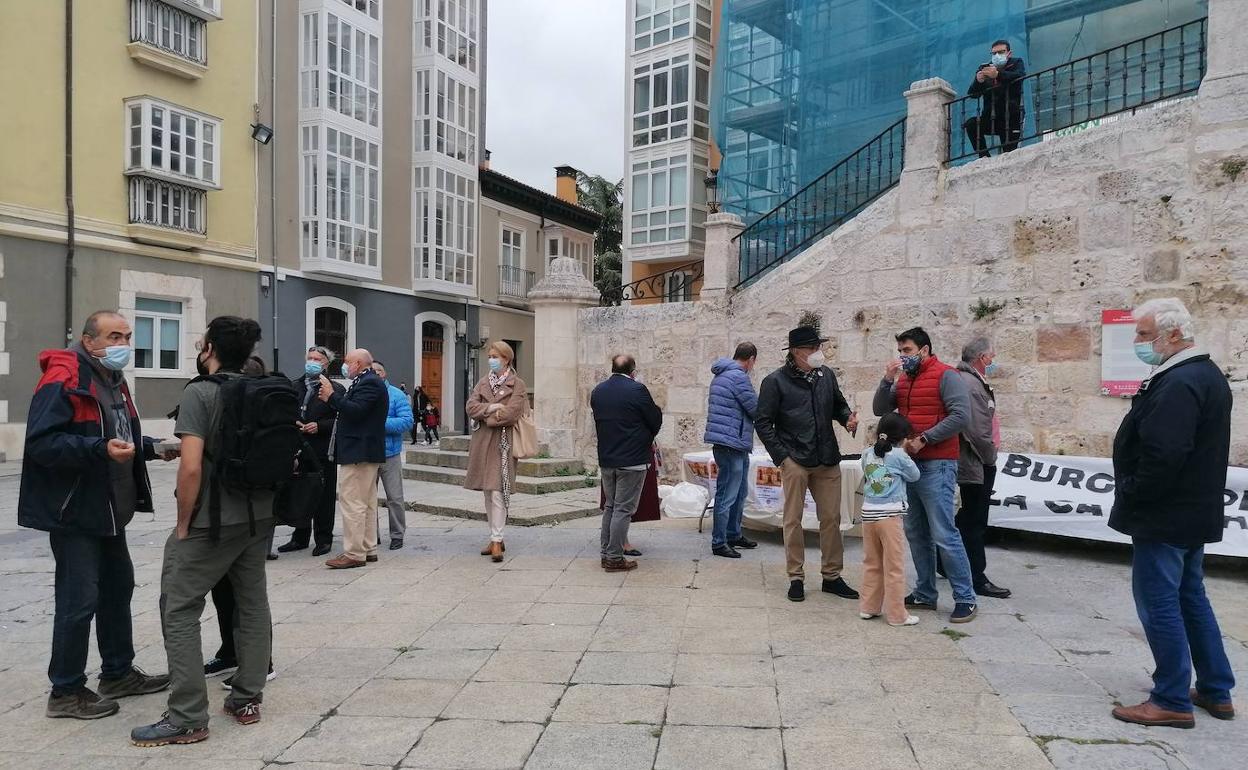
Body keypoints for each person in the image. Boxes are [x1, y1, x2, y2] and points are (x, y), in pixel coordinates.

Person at [19, 311, 171, 720]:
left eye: (125, 335)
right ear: (88, 341)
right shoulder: (65, 377)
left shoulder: (112, 379)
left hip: (109, 509)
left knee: (118, 589)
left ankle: (118, 672)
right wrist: (97, 449)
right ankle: (65, 690)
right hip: (76, 510)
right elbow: (41, 443)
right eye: (112, 336)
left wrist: (153, 447)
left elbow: (118, 433)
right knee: (79, 598)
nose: (121, 343)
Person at [132, 316, 274, 746]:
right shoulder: (259, 386)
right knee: (251, 602)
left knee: (179, 607)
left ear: (209, 348)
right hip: (259, 512)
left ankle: (188, 715)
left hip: (212, 518)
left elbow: (191, 465)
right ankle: (247, 697)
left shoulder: (200, 391)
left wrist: (182, 521)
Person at [1108, 298, 1236, 728]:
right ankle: (1216, 689)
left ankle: (1171, 698)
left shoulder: (1180, 381)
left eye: (1144, 334)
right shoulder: (1203, 375)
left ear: (1174, 335)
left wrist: (1132, 491)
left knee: (1160, 602)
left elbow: (1164, 453)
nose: (1138, 342)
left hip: (1165, 514)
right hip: (1188, 511)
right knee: (1190, 597)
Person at [872, 327, 976, 624]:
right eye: (901, 352)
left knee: (944, 532)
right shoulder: (903, 379)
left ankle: (966, 598)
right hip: (909, 466)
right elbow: (881, 408)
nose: (903, 357)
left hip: (938, 464)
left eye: (907, 351)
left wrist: (926, 438)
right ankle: (925, 594)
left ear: (924, 350)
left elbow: (961, 416)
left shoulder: (947, 376)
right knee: (916, 532)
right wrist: (887, 380)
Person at [755, 326, 859, 603]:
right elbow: (763, 423)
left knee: (832, 519)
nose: (818, 352)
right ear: (795, 352)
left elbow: (839, 405)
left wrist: (847, 418)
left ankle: (832, 576)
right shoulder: (774, 381)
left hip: (826, 457)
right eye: (812, 348)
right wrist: (783, 458)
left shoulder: (826, 376)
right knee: (793, 520)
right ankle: (796, 577)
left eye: (818, 347)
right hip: (795, 459)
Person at [591, 355, 663, 572]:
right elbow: (655, 419)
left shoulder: (598, 391)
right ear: (633, 371)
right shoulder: (637, 390)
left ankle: (606, 553)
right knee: (623, 509)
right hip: (632, 459)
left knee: (611, 507)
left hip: (607, 458)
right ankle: (614, 557)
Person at [952, 336, 1010, 599]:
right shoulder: (971, 384)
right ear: (980, 359)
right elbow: (976, 430)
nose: (993, 361)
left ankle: (947, 562)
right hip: (977, 461)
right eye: (991, 357)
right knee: (975, 519)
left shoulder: (972, 380)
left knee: (967, 517)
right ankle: (977, 576)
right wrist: (990, 456)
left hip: (977, 460)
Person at [320, 348, 388, 569]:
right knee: (366, 503)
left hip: (359, 450)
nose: (344, 365)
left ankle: (354, 553)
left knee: (352, 503)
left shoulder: (369, 382)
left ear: (358, 363)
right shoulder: (366, 381)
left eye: (347, 362)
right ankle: (368, 549)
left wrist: (331, 395)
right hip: (363, 450)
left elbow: (356, 411)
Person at [277, 347, 344, 558]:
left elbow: (342, 418)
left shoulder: (335, 388)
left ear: (326, 364)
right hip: (298, 448)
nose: (313, 362)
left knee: (324, 495)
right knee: (300, 493)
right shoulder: (293, 385)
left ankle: (324, 539)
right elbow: (283, 411)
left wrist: (320, 426)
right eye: (310, 358)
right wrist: (292, 421)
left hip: (323, 450)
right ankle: (300, 536)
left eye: (318, 359)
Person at [464, 341, 529, 561]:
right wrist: (492, 407)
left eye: (495, 356)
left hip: (503, 442)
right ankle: (494, 537)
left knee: (499, 492)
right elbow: (470, 407)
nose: (491, 359)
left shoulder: (517, 384)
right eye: (490, 355)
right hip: (482, 443)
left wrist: (487, 417)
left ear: (506, 359)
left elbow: (512, 414)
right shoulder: (483, 381)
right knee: (487, 491)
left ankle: (497, 540)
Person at [859, 412, 921, 627]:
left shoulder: (867, 454)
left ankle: (869, 607)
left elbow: (864, 472)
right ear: (903, 437)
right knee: (894, 566)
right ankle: (897, 614)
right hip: (890, 515)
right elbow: (915, 476)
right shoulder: (899, 456)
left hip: (868, 514)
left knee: (872, 562)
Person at [703, 342, 760, 558]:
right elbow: (755, 408)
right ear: (751, 359)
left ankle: (733, 534)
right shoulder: (738, 376)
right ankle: (719, 542)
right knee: (727, 494)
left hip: (733, 443)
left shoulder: (721, 375)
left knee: (739, 492)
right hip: (731, 443)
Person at [372, 361, 415, 550]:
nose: (376, 374)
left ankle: (397, 534)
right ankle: (371, 535)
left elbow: (407, 422)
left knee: (395, 497)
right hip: (367, 454)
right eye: (372, 371)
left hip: (390, 454)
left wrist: (379, 423)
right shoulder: (364, 393)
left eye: (379, 370)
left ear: (385, 373)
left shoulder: (397, 395)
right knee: (367, 499)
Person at [963, 39, 1026, 158]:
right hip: (991, 117)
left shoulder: (1016, 62)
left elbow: (1019, 76)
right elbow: (973, 94)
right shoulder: (986, 68)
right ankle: (984, 157)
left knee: (1010, 154)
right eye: (994, 53)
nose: (997, 56)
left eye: (1001, 52)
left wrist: (998, 74)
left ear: (1009, 53)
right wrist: (979, 80)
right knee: (971, 124)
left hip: (1011, 117)